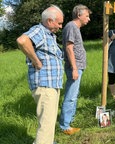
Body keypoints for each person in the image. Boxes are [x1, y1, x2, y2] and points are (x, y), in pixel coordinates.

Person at [16, 5, 64, 144]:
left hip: (51, 84)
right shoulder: (40, 31)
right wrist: (36, 61)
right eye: (59, 23)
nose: (61, 26)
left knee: (48, 121)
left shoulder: (48, 34)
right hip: (45, 85)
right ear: (49, 21)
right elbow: (22, 40)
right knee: (46, 123)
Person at [59, 4, 92, 135]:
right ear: (79, 15)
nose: (88, 19)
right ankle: (65, 126)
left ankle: (69, 121)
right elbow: (69, 48)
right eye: (87, 16)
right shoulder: (71, 27)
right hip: (74, 67)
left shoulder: (75, 28)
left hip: (77, 67)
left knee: (74, 95)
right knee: (71, 96)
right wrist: (74, 68)